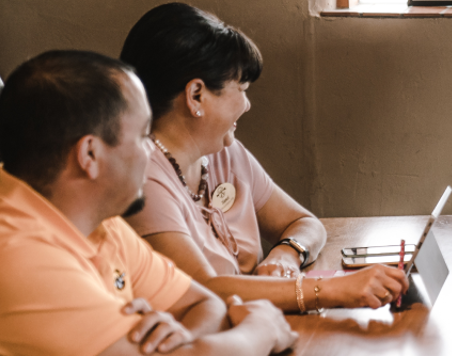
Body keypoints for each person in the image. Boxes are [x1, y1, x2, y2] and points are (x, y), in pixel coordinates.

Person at [0, 50, 297, 355]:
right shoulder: (21, 256)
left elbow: (205, 303)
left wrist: (179, 340)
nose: (151, 152)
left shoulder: (100, 221)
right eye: (144, 136)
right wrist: (261, 330)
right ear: (90, 154)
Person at [119, 3, 408, 313]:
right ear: (196, 96)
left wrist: (286, 253)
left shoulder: (224, 152)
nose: (247, 105)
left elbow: (304, 223)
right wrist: (330, 289)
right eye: (241, 88)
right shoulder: (142, 179)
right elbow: (203, 290)